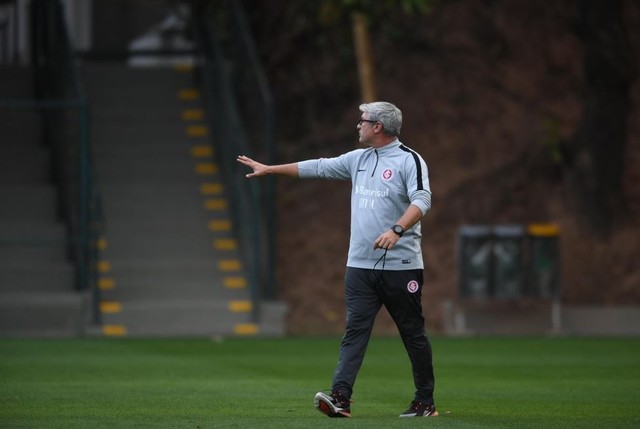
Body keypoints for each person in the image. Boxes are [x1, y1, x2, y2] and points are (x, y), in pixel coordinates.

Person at [237, 101, 437, 418]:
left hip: (402, 267)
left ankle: (425, 402)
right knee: (354, 331)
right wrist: (271, 169)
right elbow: (318, 166)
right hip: (359, 267)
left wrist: (397, 230)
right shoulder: (358, 159)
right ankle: (340, 398)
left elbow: (423, 200)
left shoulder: (409, 160)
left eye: (363, 120)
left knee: (412, 333)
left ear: (378, 127)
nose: (358, 124)